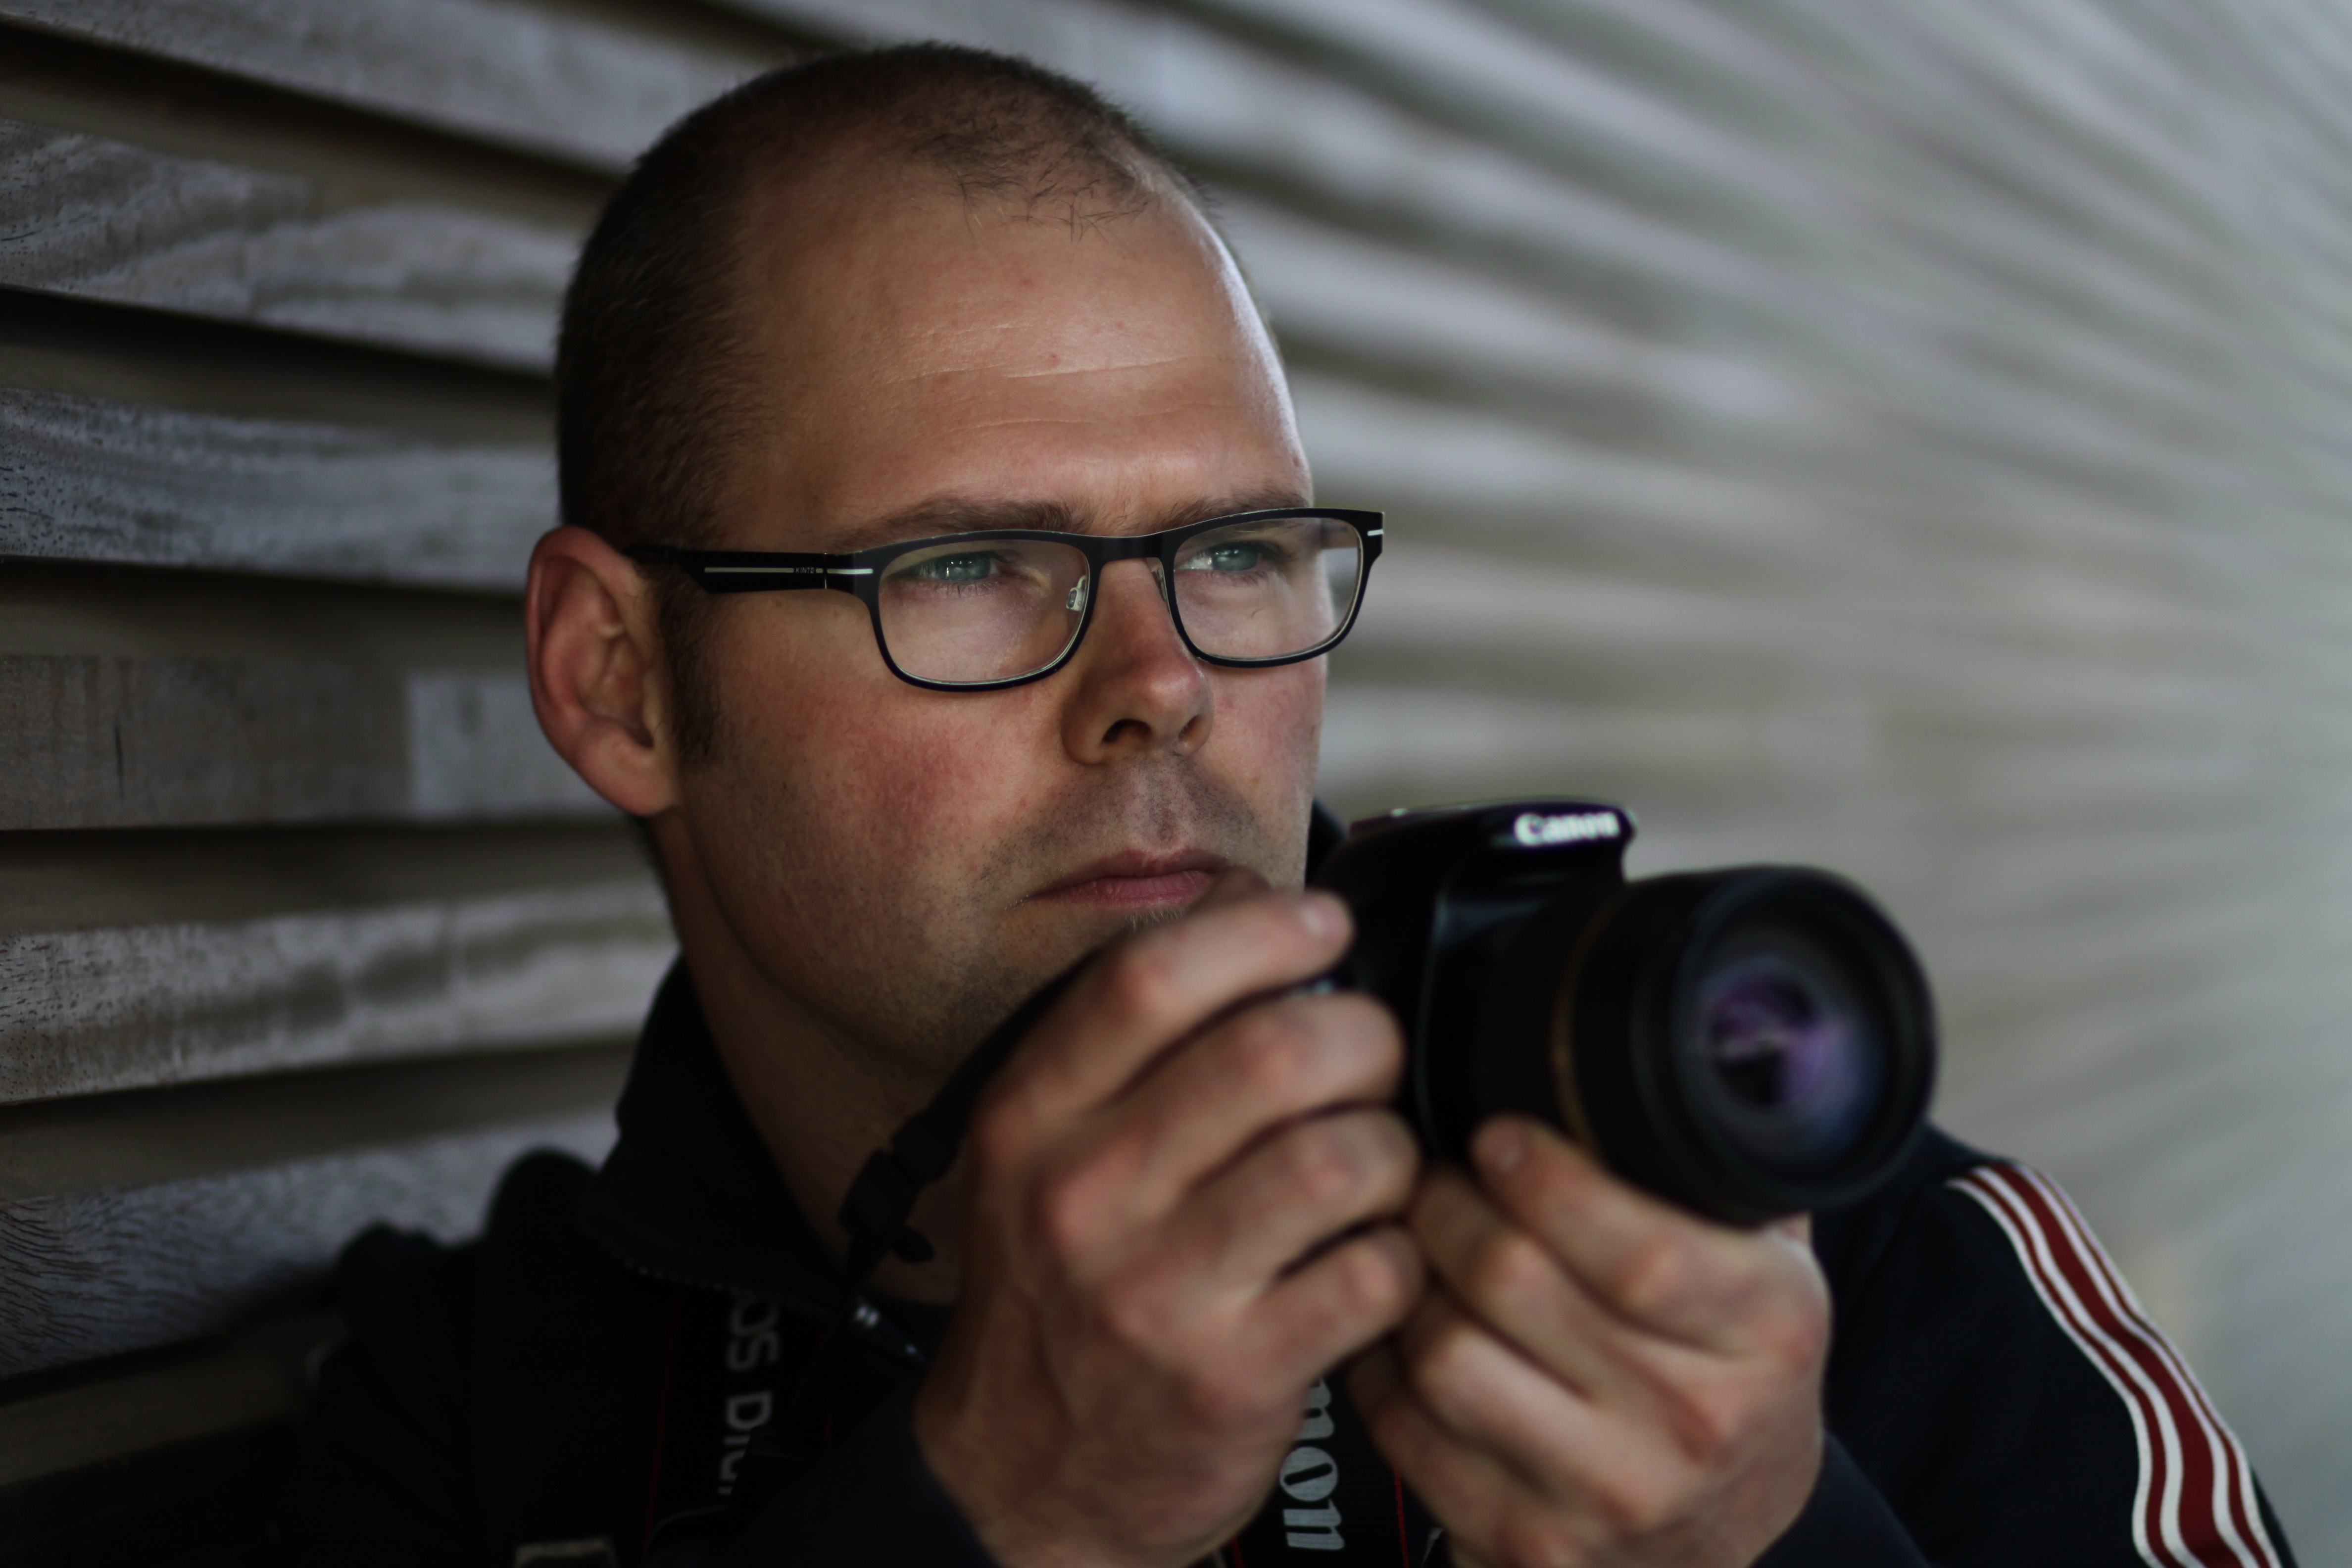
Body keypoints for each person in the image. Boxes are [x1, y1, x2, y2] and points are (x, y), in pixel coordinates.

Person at [273, 43, 2297, 1568]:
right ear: (618, 684)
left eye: (1236, 554)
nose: (1163, 684)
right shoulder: (479, 1411)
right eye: (972, 567)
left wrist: (1773, 1544)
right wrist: (992, 1517)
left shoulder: (1800, 1265)